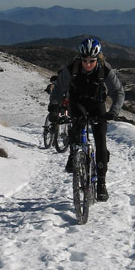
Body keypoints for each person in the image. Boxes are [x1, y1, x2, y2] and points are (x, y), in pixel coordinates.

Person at [47, 37, 124, 202]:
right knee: (76, 127)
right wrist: (54, 107)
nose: (88, 64)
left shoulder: (105, 69)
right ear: (80, 58)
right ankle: (74, 155)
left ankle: (101, 183)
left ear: (98, 58)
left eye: (91, 60)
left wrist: (113, 111)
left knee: (101, 142)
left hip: (97, 105)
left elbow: (118, 92)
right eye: (85, 60)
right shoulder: (72, 68)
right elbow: (59, 89)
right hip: (78, 103)